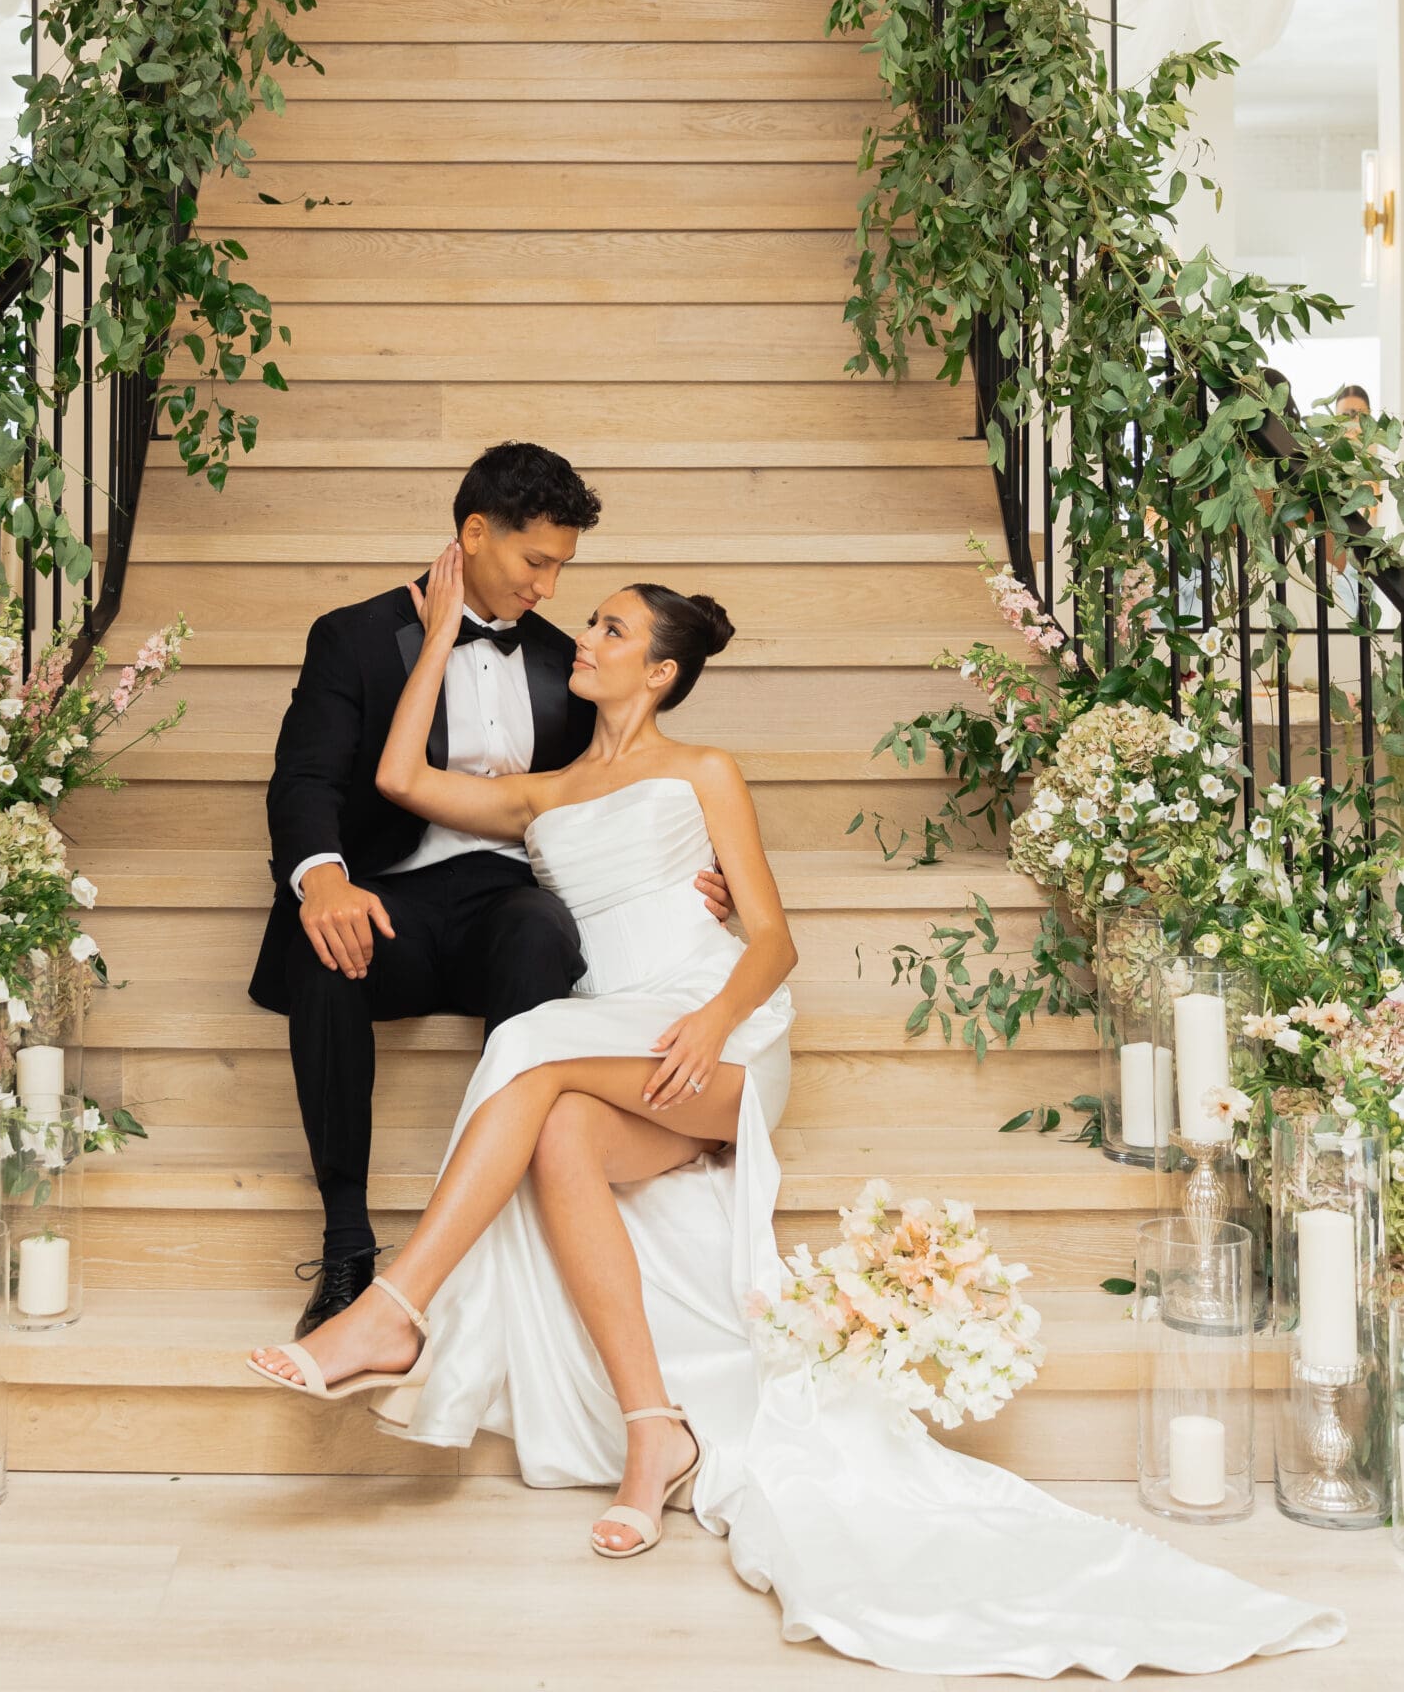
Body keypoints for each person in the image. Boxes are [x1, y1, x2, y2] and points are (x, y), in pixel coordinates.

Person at [248, 547, 1344, 1673]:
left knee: (528, 1047)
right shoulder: (549, 789)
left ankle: (397, 1306)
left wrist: (717, 1017)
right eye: (594, 622)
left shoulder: (706, 769)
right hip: (616, 1022)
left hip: (711, 1028)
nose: (587, 638)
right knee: (562, 1130)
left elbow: (774, 936)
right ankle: (653, 1430)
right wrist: (436, 631)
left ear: (662, 674)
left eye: (614, 631)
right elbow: (396, 779)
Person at [248, 441, 732, 1335]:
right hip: (385, 893)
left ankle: (499, 1225)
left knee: (537, 931)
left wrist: (687, 877)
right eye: (535, 562)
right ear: (473, 534)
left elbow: (617, 784)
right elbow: (304, 781)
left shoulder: (563, 659)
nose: (548, 589)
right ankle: (349, 1242)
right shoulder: (351, 636)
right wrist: (320, 881)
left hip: (504, 898)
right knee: (319, 944)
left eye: (562, 568)